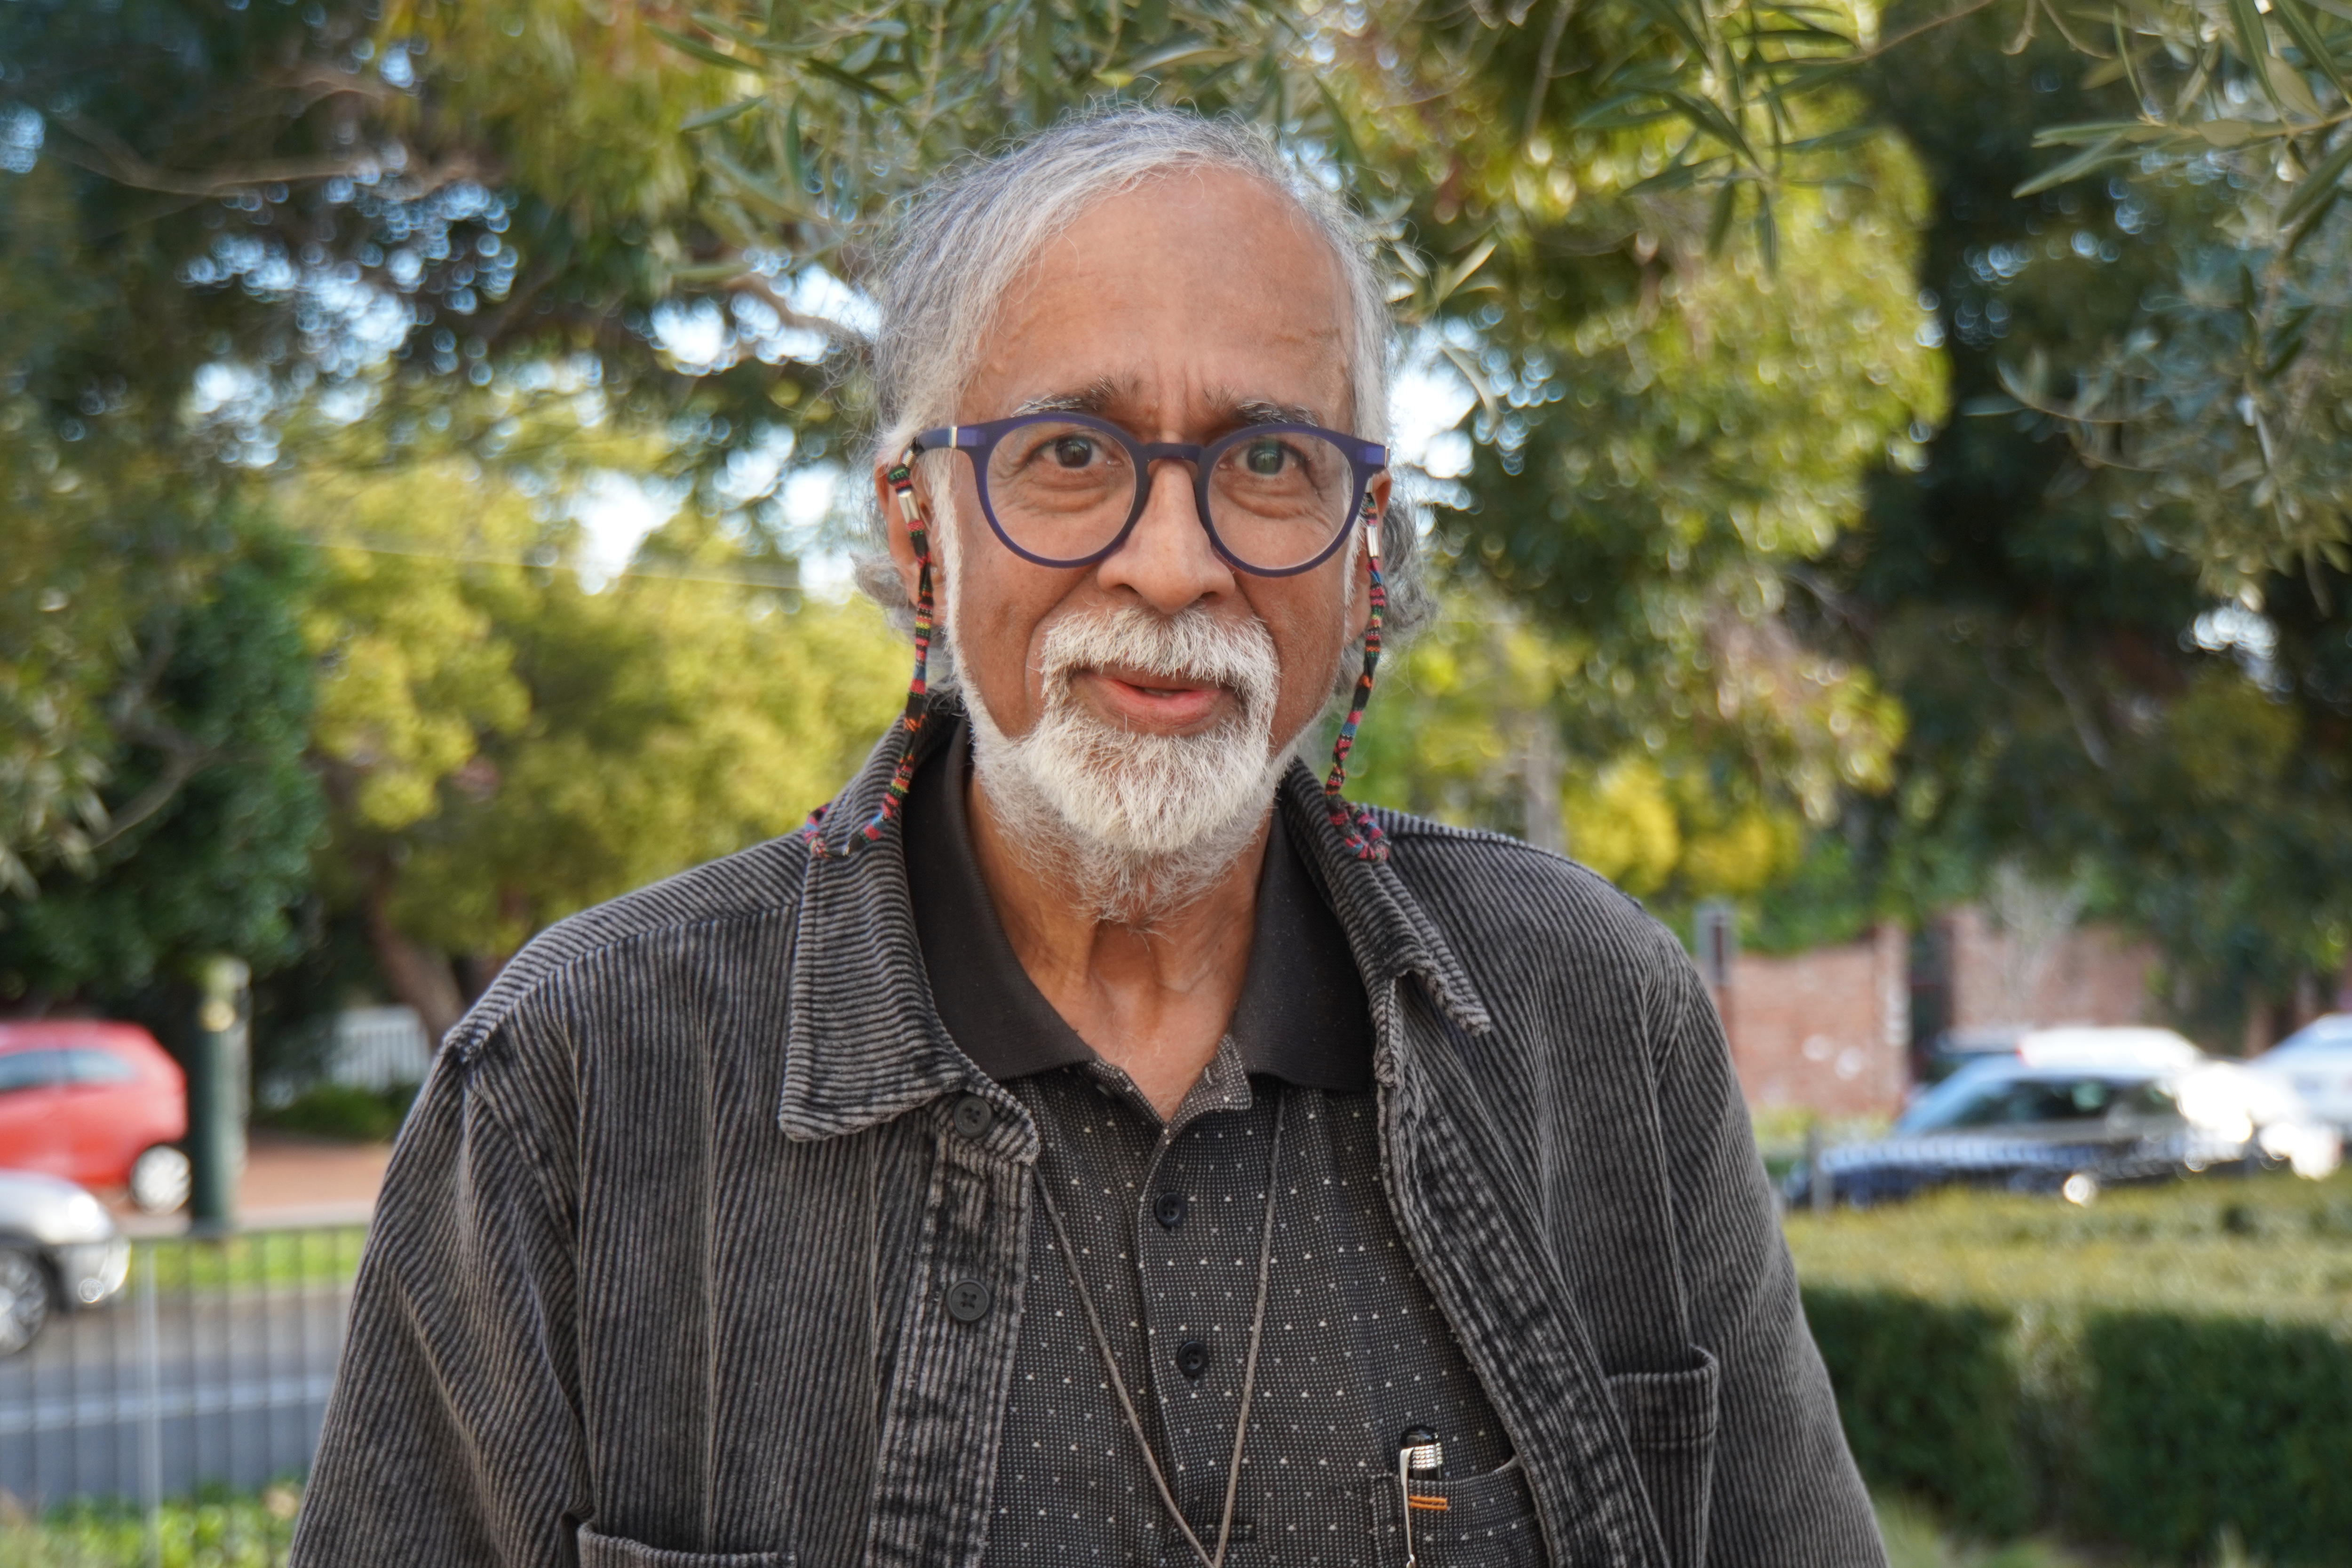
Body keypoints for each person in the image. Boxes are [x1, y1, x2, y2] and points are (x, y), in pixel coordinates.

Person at [291, 107, 1883, 1568]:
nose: (1174, 563)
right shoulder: (583, 1077)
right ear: (922, 535)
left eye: (1269, 461)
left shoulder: (1594, 1022)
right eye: (1071, 457)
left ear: (1365, 552)